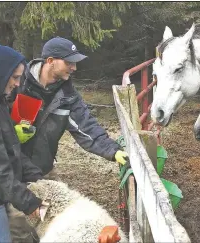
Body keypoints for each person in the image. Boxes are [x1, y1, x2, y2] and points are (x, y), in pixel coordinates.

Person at [10, 36, 129, 176]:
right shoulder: (17, 82)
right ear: (50, 61)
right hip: (8, 167)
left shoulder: (68, 96)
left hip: (40, 170)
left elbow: (86, 126)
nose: (74, 68)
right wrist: (10, 132)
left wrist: (113, 151)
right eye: (69, 62)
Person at [0, 44, 47, 243]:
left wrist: (41, 181)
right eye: (14, 77)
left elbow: (10, 149)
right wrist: (29, 202)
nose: (17, 84)